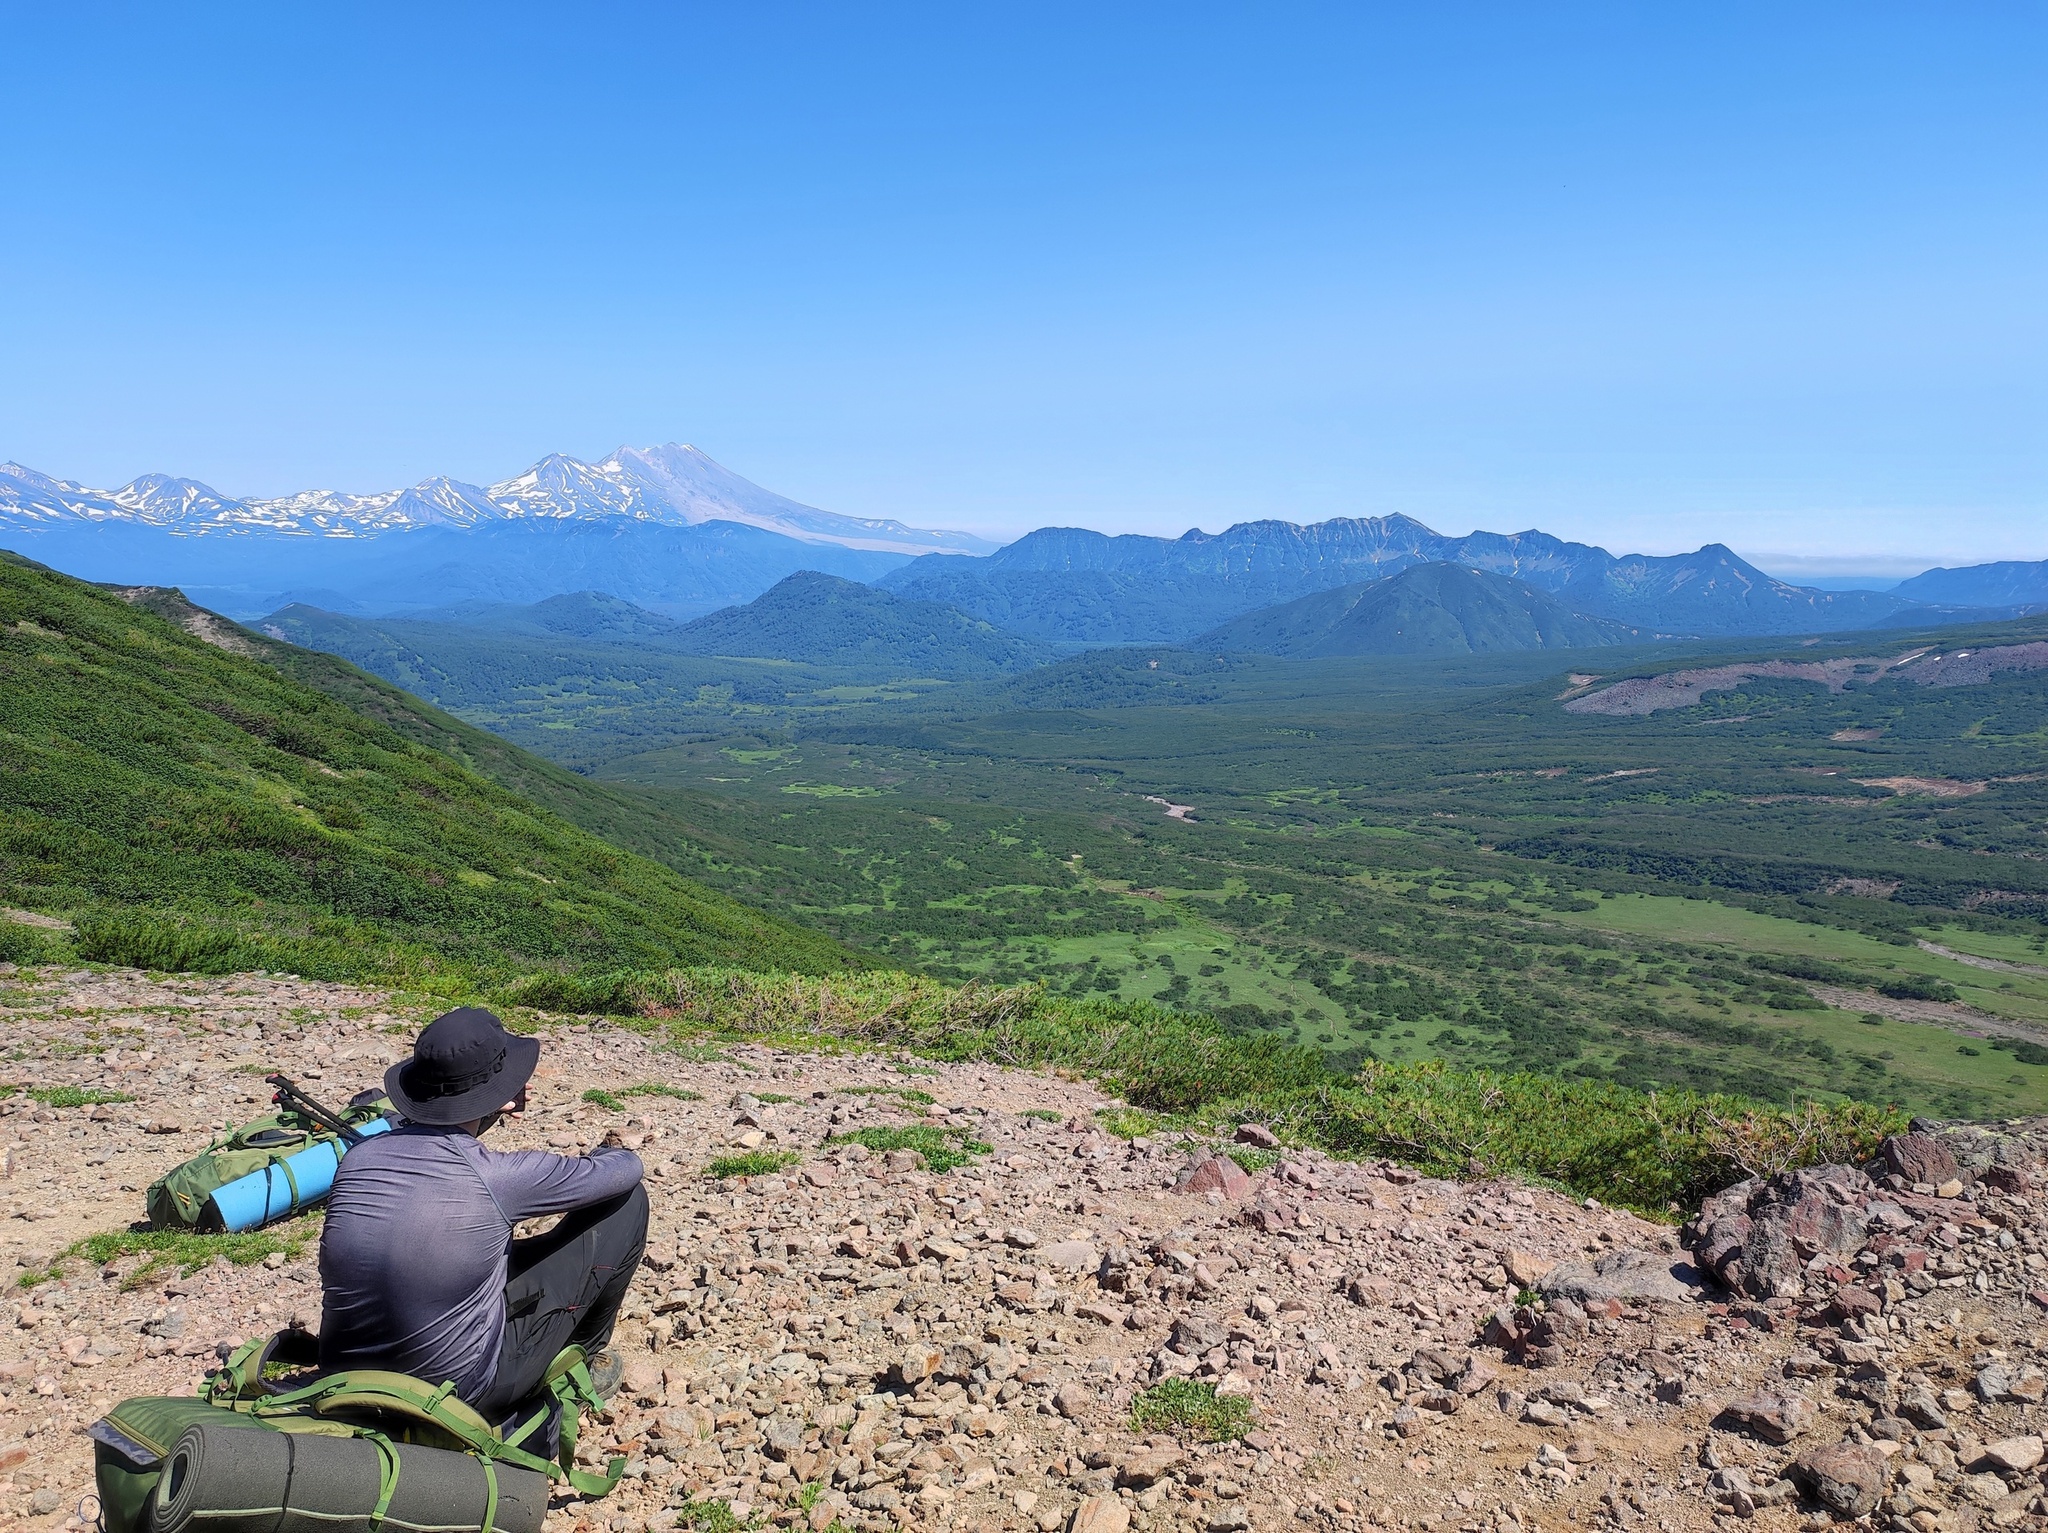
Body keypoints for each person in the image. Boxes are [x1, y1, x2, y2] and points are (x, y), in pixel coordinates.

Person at [318, 1006, 648, 1423]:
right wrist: (607, 1150)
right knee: (628, 1202)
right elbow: (625, 1170)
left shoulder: (358, 1159)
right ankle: (585, 1358)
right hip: (456, 1395)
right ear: (504, 1098)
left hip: (343, 1379)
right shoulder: (499, 1176)